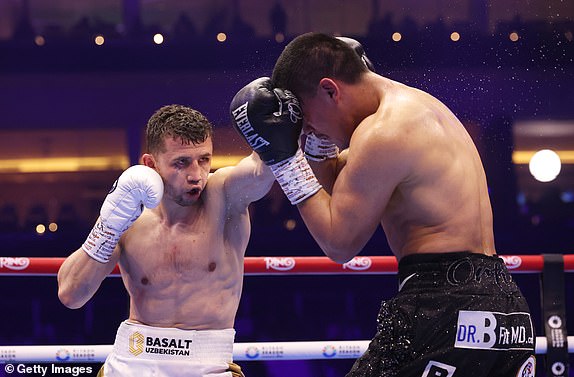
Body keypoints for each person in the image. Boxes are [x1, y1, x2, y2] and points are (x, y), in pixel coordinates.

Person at [229, 33, 536, 377]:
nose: (307, 128)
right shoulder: (417, 108)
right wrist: (316, 141)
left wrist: (284, 158)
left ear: (331, 90)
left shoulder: (382, 133)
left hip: (444, 307)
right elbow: (341, 189)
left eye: (309, 121)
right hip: (506, 315)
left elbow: (340, 242)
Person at [57, 104, 275, 377]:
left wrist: (274, 131)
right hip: (132, 361)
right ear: (151, 164)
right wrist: (108, 225)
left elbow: (259, 172)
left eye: (204, 159)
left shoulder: (225, 197)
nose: (196, 174)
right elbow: (71, 294)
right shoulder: (129, 216)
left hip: (208, 365)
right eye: (181, 163)